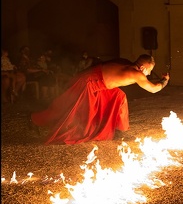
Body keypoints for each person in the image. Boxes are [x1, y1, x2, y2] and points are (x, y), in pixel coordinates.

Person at [29, 54, 170, 145]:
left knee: (118, 96)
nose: (149, 73)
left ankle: (119, 129)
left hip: (97, 83)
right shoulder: (136, 74)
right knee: (71, 110)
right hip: (88, 83)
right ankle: (35, 120)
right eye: (149, 70)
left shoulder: (125, 63)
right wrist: (164, 80)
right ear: (142, 67)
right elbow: (153, 89)